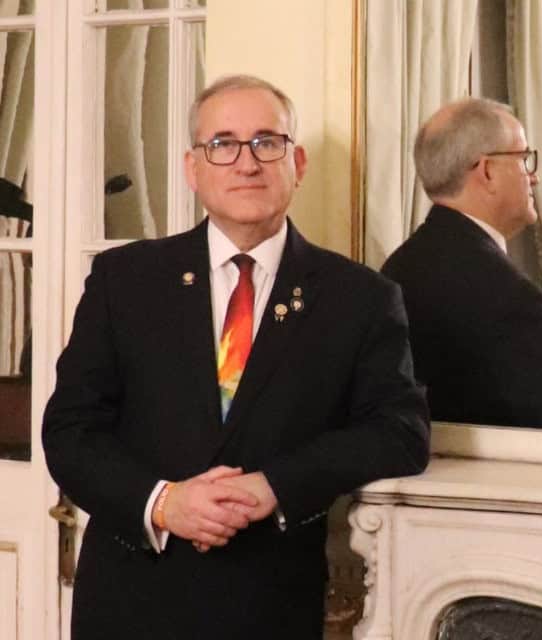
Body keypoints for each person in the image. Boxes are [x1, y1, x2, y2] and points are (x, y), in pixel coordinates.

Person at [42, 75, 429, 639]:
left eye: (266, 142)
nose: (246, 163)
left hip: (269, 604)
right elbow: (69, 432)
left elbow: (401, 432)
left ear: (297, 163)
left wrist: (273, 485)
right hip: (130, 603)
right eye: (222, 144)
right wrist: (164, 503)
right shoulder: (124, 280)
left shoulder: (361, 298)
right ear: (192, 169)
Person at [382, 97, 542, 433]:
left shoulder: (397, 268)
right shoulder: (511, 297)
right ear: (488, 172)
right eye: (524, 159)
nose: (533, 176)